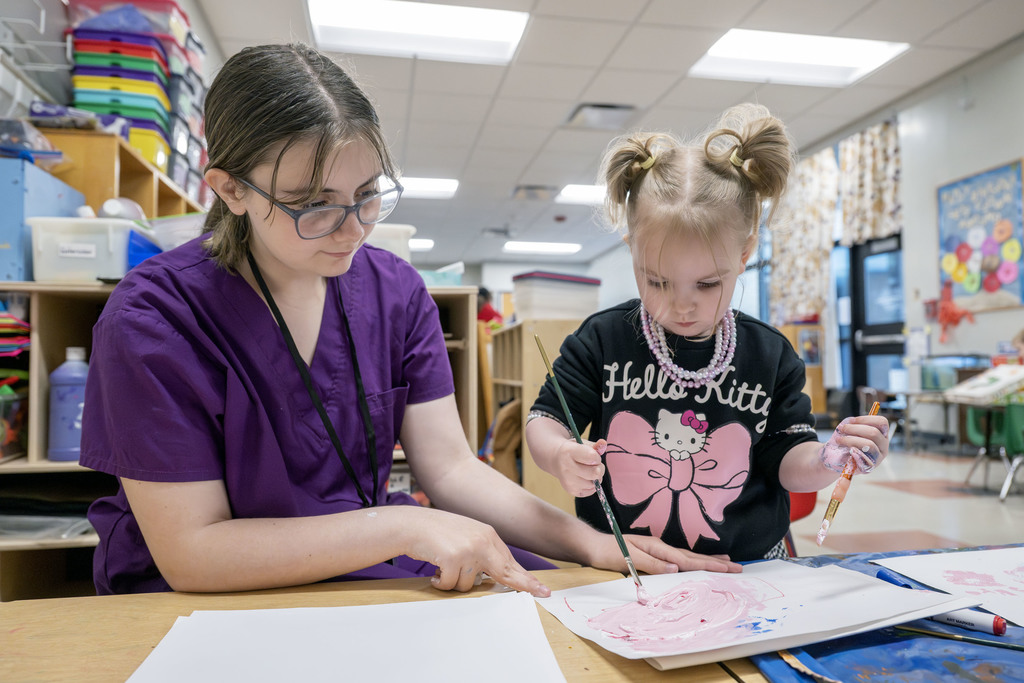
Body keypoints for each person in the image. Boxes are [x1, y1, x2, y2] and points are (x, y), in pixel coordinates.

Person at [80, 43, 740, 597]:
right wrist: (402, 526)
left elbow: (448, 469)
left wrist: (592, 542)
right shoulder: (153, 319)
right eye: (315, 204)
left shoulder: (393, 292)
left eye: (368, 195)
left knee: (555, 601)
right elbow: (192, 552)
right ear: (230, 188)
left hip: (363, 561)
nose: (353, 229)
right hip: (211, 594)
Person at [525, 104, 891, 562]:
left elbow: (787, 460)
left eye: (707, 284)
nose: (682, 305)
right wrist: (559, 453)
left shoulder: (770, 354)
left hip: (749, 568)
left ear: (745, 253)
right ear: (631, 249)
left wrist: (827, 458)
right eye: (657, 281)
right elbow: (545, 419)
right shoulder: (602, 340)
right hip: (628, 566)